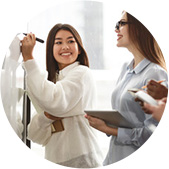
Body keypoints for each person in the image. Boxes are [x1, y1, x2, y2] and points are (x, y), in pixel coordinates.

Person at [85, 11, 168, 165]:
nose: (116, 29)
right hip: (113, 157)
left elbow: (153, 132)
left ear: (140, 27)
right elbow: (127, 117)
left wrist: (109, 130)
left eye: (121, 23)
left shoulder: (155, 74)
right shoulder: (126, 68)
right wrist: (105, 122)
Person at [21, 24, 103, 168]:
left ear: (79, 49)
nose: (65, 46)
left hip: (82, 160)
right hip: (56, 160)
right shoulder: (54, 82)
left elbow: (55, 102)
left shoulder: (82, 73)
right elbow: (34, 135)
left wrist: (29, 58)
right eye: (58, 42)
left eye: (71, 41)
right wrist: (47, 117)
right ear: (51, 49)